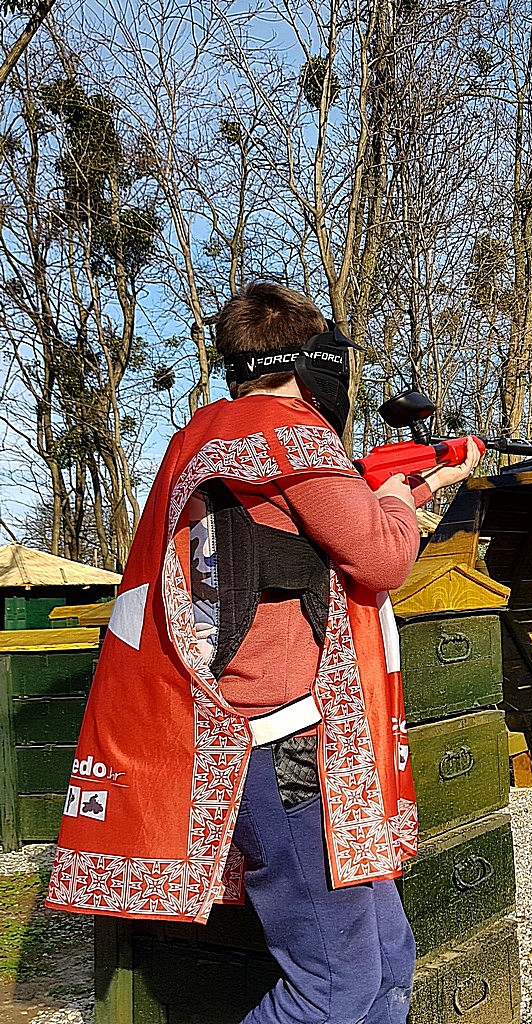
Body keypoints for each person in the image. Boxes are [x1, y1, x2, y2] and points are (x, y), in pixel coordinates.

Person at [46, 282, 480, 1024]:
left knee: (388, 957)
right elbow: (380, 559)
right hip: (288, 749)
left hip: (275, 739)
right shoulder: (295, 433)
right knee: (335, 985)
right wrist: (408, 500)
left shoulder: (207, 431)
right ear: (312, 361)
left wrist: (383, 484)